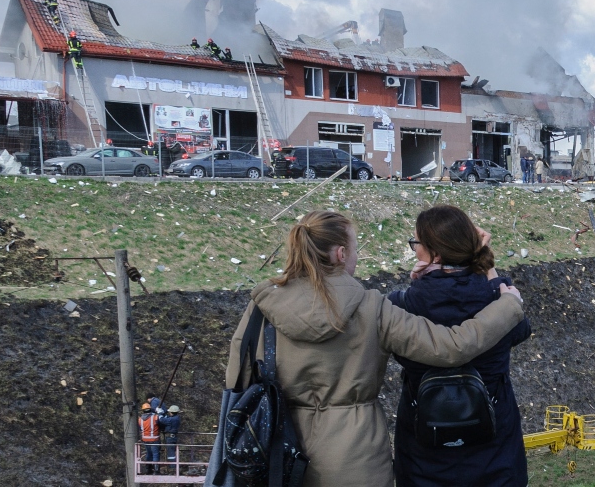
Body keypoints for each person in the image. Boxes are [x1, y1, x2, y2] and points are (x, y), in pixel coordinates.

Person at [223, 210, 525, 487]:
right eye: (356, 250)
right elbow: (451, 347)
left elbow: (237, 381)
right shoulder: (372, 308)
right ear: (341, 254)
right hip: (355, 456)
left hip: (277, 452)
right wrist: (506, 301)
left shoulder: (262, 306)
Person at [388, 205, 530, 486]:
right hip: (495, 453)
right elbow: (521, 329)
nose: (414, 248)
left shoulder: (402, 304)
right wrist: (489, 269)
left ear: (435, 254)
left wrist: (418, 284)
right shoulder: (501, 298)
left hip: (424, 457)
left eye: (416, 243)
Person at [138, 403, 161, 474]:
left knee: (148, 454)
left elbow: (140, 428)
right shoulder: (155, 417)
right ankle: (156, 470)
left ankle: (148, 469)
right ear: (150, 409)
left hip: (145, 439)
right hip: (154, 439)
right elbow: (161, 423)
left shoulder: (140, 419)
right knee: (155, 454)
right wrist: (160, 413)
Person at [160, 405, 182, 473]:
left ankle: (172, 467)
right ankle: (173, 466)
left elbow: (162, 420)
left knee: (171, 453)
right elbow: (167, 419)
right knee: (172, 452)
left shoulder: (172, 419)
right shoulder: (176, 418)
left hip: (170, 438)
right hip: (173, 437)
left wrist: (160, 414)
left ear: (171, 412)